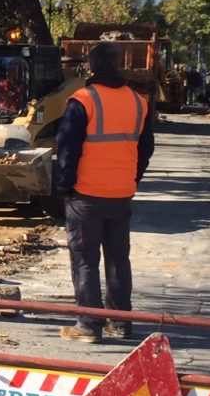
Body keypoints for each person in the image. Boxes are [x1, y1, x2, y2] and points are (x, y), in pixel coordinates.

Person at [55, 41, 154, 343]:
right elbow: (146, 148)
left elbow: (66, 150)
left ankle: (88, 324)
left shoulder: (82, 100)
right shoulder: (138, 101)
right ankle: (121, 323)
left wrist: (63, 186)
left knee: (85, 260)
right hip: (121, 194)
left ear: (91, 66)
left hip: (86, 195)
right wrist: (132, 178)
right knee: (118, 259)